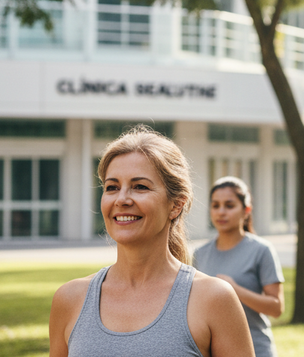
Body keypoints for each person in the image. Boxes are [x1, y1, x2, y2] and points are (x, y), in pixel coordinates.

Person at [49, 126, 254, 357]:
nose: (122, 199)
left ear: (176, 205)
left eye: (140, 187)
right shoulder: (69, 299)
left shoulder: (214, 299)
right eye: (112, 187)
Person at [194, 176, 285, 357]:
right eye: (215, 205)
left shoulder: (261, 250)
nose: (221, 212)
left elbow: (276, 307)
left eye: (229, 205)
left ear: (246, 210)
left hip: (256, 349)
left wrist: (234, 290)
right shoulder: (200, 254)